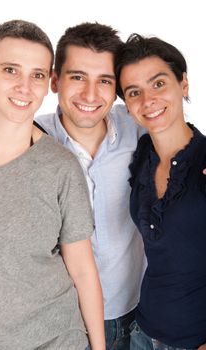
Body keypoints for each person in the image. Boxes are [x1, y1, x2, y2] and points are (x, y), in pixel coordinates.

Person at [0, 19, 105, 350]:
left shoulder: (60, 167)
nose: (25, 86)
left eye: (37, 75)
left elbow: (83, 271)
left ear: (49, 83)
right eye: (11, 70)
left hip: (55, 339)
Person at [35, 22, 146, 350]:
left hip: (142, 311)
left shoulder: (138, 126)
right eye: (78, 77)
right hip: (67, 322)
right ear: (55, 80)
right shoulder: (31, 137)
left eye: (105, 81)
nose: (90, 95)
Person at [116, 33, 206, 350]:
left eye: (158, 84)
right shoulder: (141, 154)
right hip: (142, 332)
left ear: (183, 84)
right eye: (134, 92)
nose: (147, 101)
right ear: (126, 104)